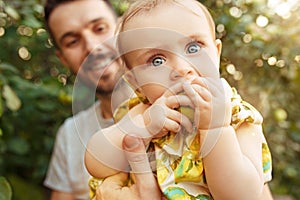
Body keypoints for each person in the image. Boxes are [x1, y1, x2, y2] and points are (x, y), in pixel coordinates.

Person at [85, 0, 273, 199]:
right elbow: (96, 163)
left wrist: (216, 129)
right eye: (157, 60)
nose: (182, 68)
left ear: (216, 53)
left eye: (193, 48)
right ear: (135, 81)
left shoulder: (236, 115)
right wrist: (145, 126)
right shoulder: (144, 111)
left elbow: (243, 196)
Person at [43, 0, 121, 199]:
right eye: (72, 42)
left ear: (122, 27)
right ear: (63, 59)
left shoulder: (191, 107)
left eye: (100, 28)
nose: (92, 47)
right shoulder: (70, 134)